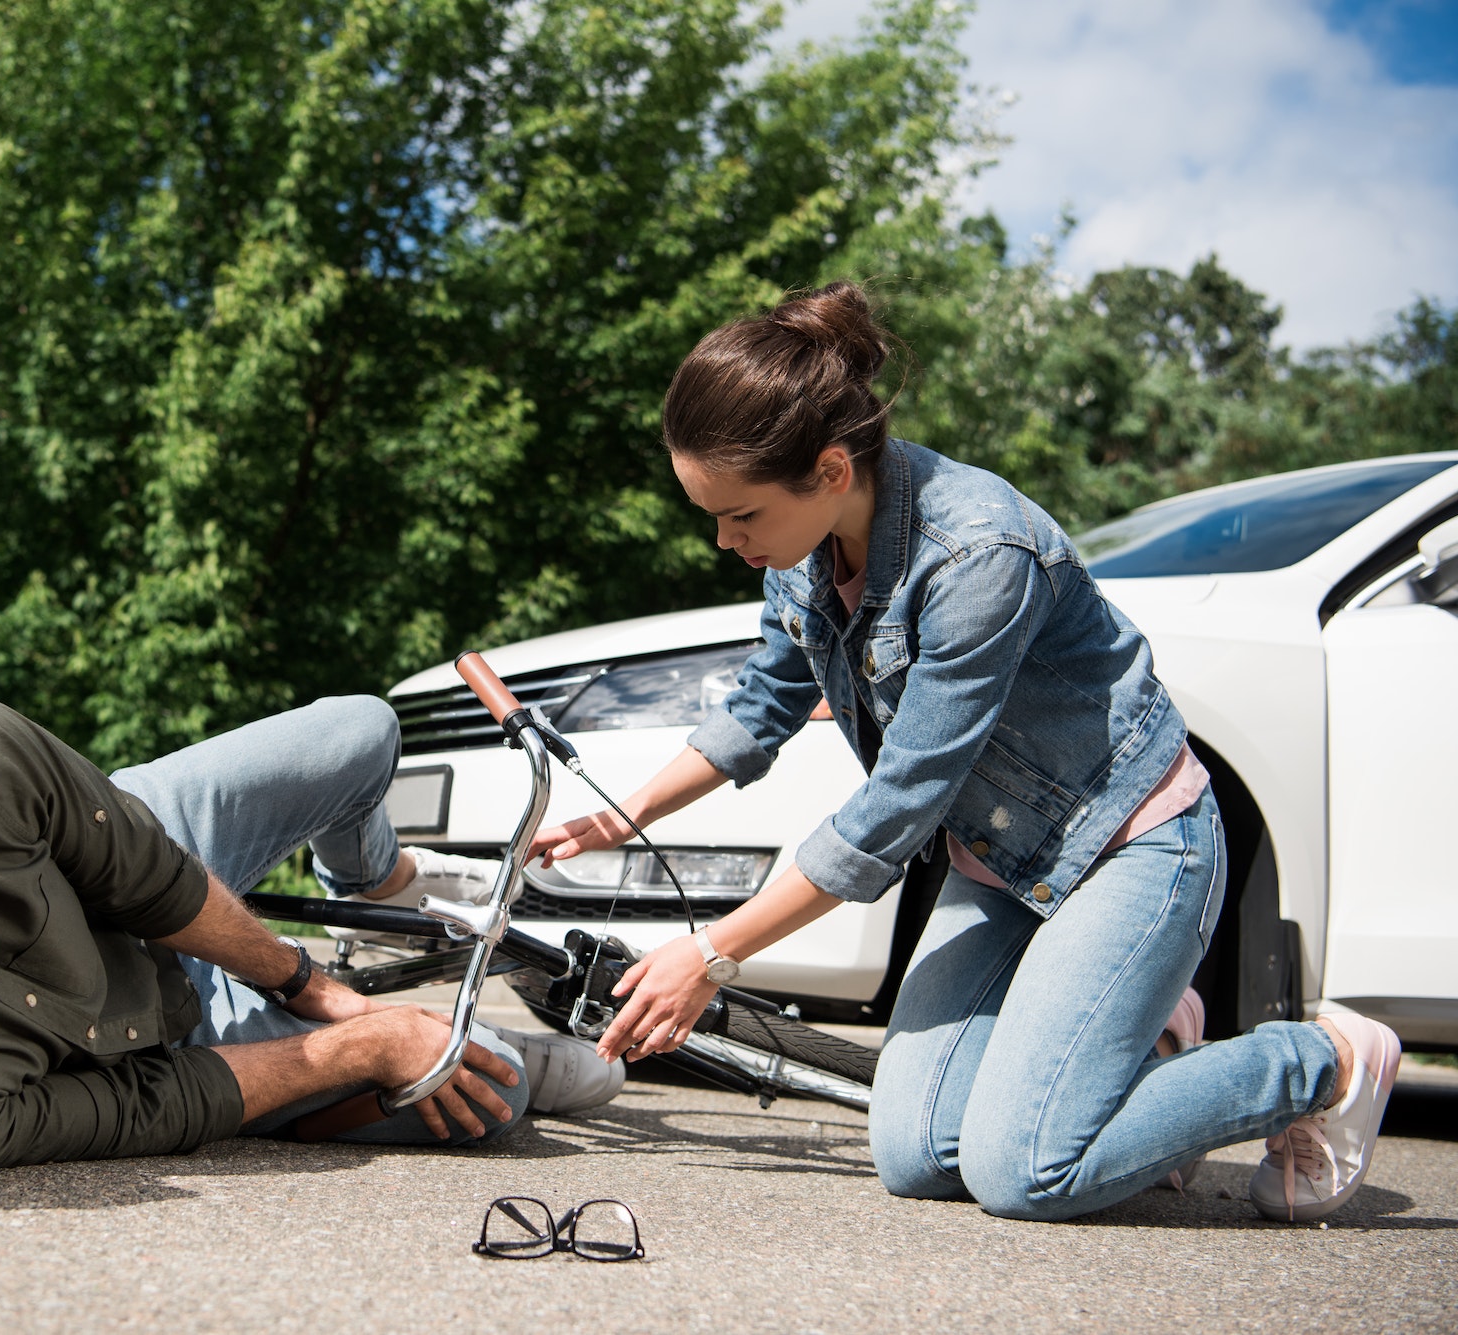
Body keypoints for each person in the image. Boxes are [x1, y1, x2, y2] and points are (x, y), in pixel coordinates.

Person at [531, 281, 1402, 1223]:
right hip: (1000, 865)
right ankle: (1141, 1047)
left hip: (1132, 848)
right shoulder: (805, 552)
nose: (723, 538)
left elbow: (900, 802)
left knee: (1026, 1171)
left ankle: (1324, 1060)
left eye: (739, 515)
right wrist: (627, 814)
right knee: (915, 1154)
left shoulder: (980, 553)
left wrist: (712, 951)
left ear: (829, 471)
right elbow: (765, 702)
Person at [0, 689, 620, 1182]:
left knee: (360, 733)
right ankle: (472, 1037)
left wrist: (305, 982)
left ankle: (381, 880)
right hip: (154, 1044)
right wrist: (356, 1046)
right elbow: (144, 1107)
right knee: (492, 1096)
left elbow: (147, 872)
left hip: (123, 889)